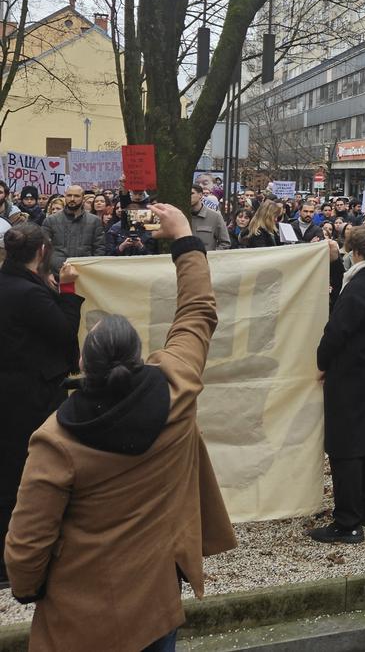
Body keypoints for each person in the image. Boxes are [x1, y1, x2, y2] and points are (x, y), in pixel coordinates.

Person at [4, 204, 236, 651]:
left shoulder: (55, 442)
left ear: (81, 367)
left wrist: (28, 588)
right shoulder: (177, 389)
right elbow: (198, 311)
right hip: (156, 602)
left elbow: (27, 543)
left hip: (78, 613)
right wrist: (185, 238)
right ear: (138, 357)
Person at [0, 224, 83, 587]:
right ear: (42, 252)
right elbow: (63, 332)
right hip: (28, 394)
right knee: (23, 471)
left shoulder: (12, 284)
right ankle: (16, 556)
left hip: (11, 390)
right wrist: (67, 291)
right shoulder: (29, 294)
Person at [310, 226, 365, 544]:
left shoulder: (359, 287)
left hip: (348, 373)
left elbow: (336, 329)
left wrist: (321, 362)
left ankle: (347, 522)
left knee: (345, 447)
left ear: (357, 252)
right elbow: (343, 284)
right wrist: (334, 262)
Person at [41, 184, 105, 273]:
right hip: (57, 272)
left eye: (76, 196)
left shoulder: (94, 221)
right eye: (69, 195)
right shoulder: (50, 221)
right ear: (65, 196)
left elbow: (99, 249)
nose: (72, 199)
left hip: (85, 272)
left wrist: (94, 270)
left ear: (83, 198)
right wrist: (47, 273)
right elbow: (43, 250)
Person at [189, 184, 231, 251]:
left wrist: (212, 256)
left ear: (200, 195)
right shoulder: (180, 216)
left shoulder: (215, 216)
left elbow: (225, 243)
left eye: (191, 193)